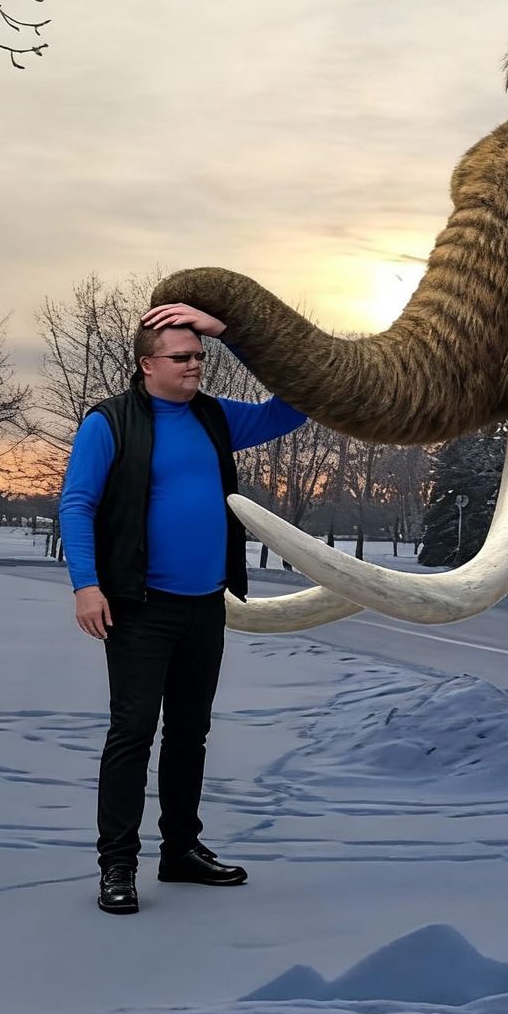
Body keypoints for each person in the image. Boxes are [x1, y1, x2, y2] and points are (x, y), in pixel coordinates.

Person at [59, 304, 305, 914]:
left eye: (201, 356)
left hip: (205, 606)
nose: (195, 366)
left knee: (190, 735)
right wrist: (86, 585)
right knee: (132, 735)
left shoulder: (215, 417)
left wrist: (234, 333)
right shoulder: (108, 423)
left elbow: (293, 404)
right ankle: (117, 865)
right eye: (182, 357)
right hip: (138, 608)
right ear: (147, 365)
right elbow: (77, 505)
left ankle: (181, 852)